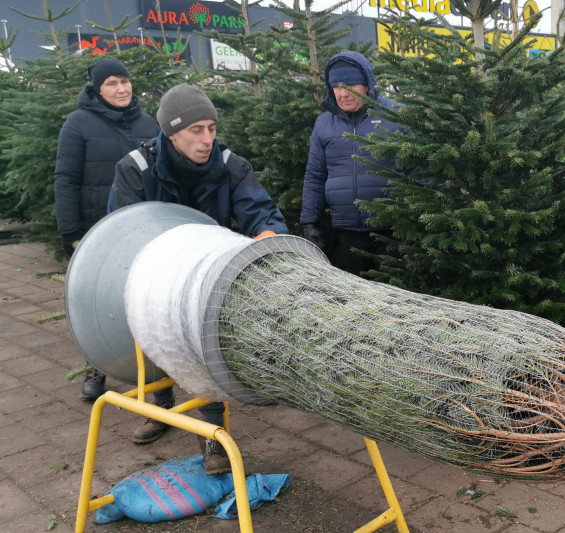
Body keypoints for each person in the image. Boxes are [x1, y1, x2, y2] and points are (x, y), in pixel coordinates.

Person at [109, 83, 288, 474]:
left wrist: (268, 240)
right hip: (153, 276)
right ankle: (162, 410)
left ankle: (213, 439)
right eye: (196, 130)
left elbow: (262, 214)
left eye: (212, 128)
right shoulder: (135, 170)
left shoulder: (231, 165)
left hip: (205, 278)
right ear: (171, 133)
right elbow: (119, 235)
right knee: (152, 337)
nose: (207, 139)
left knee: (201, 345)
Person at [55, 58, 160, 403]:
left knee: (145, 297)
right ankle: (95, 368)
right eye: (112, 83)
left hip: (141, 228)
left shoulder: (148, 124)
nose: (122, 89)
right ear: (98, 88)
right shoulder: (78, 124)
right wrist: (70, 230)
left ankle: (155, 374)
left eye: (125, 81)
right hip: (96, 227)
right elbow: (66, 179)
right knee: (96, 299)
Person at [299, 51, 400, 274]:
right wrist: (310, 223)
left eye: (350, 85)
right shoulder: (324, 123)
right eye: (336, 87)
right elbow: (315, 175)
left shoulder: (394, 115)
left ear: (367, 84)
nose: (343, 94)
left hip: (392, 231)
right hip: (347, 231)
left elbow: (417, 169)